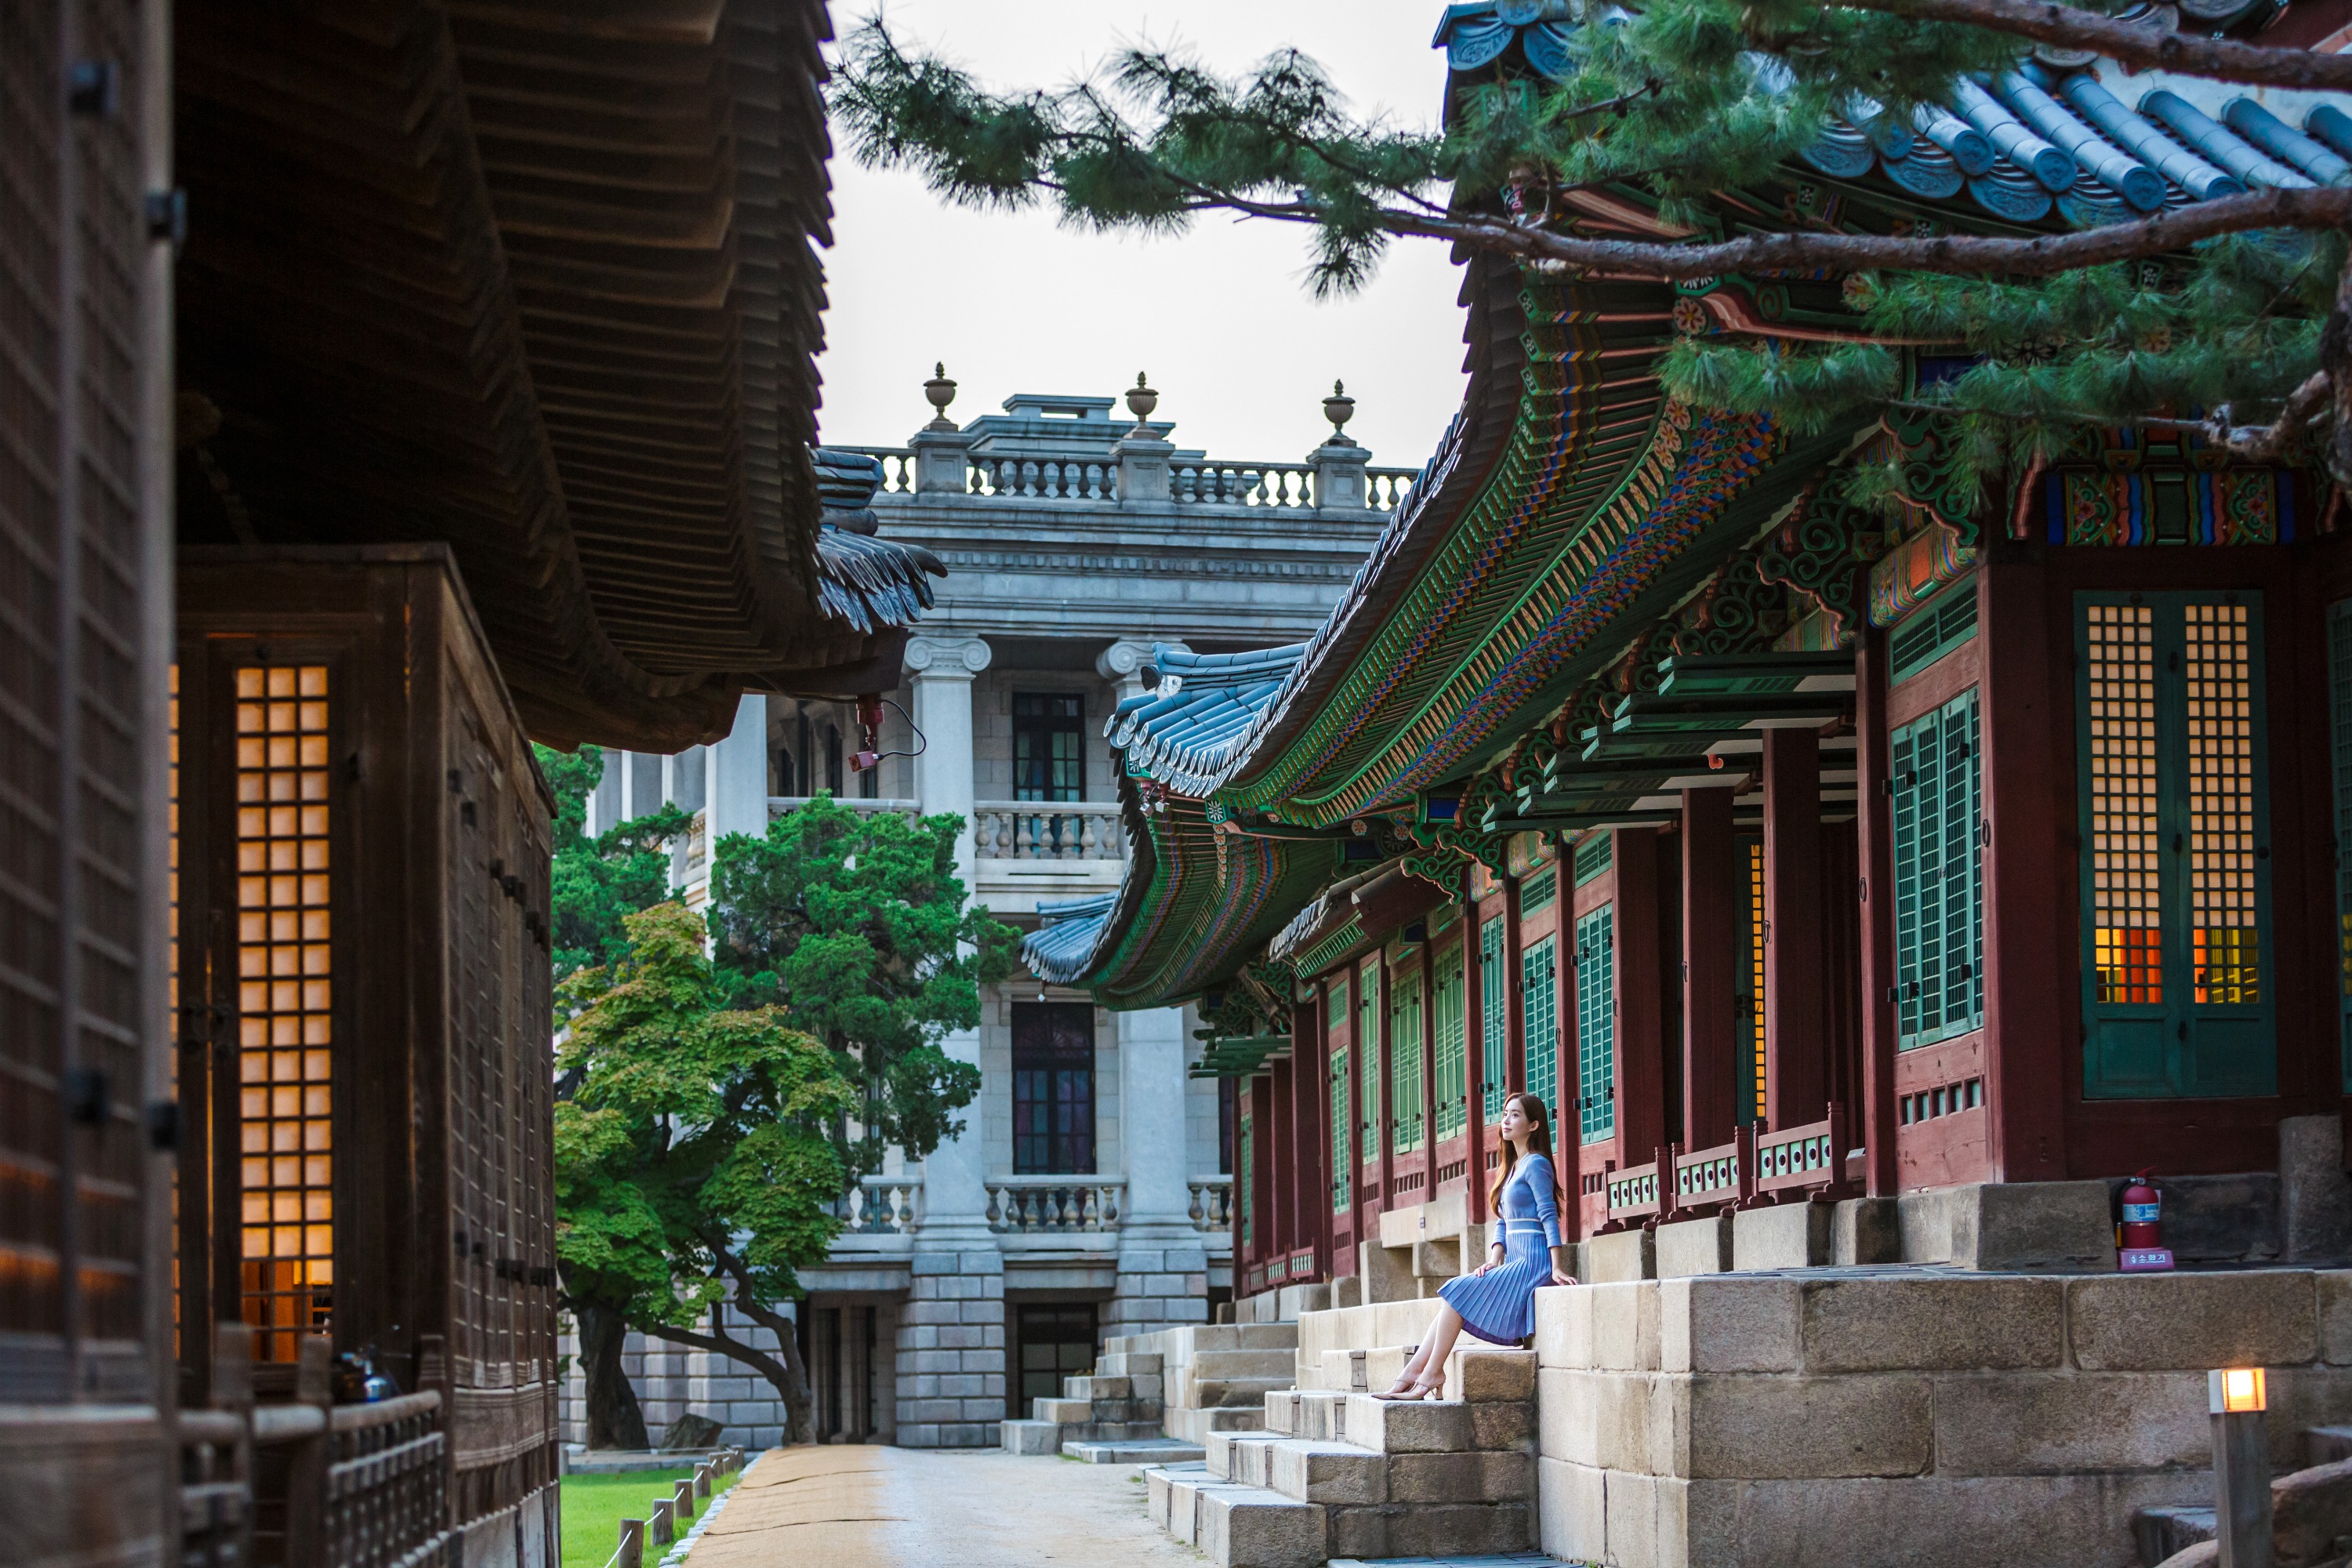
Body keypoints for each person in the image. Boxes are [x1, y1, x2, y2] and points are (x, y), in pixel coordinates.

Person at [1374, 1091, 1577, 1400]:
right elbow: (1502, 1221)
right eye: (1505, 1113)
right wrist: (1495, 1260)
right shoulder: (1512, 1167)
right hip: (1514, 1260)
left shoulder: (1536, 1165)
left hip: (1534, 1262)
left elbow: (1549, 1216)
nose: (1505, 1120)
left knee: (1457, 1290)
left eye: (1515, 1115)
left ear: (1534, 1125)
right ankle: (1418, 1371)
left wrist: (1557, 1266)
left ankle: (1426, 1373)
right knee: (1455, 1296)